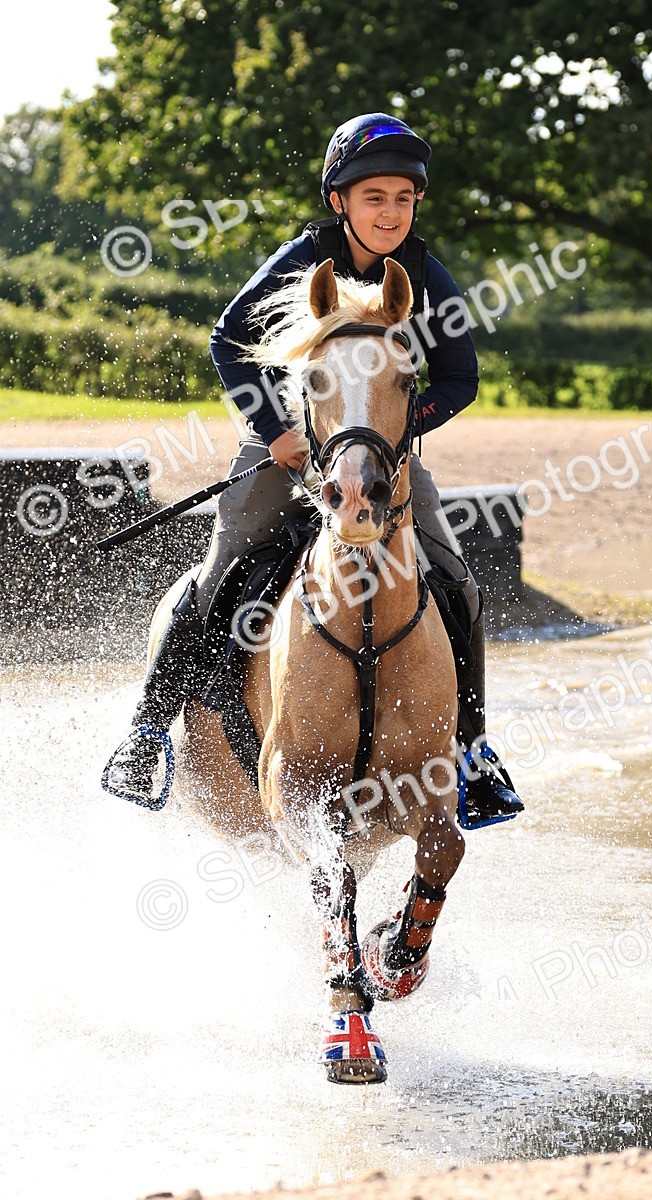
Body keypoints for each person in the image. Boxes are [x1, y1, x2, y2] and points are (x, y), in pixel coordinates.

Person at [104, 112, 523, 829]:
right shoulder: (303, 258)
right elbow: (225, 343)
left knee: (454, 575)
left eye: (403, 198)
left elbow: (459, 379)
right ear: (340, 201)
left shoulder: (425, 273)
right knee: (223, 568)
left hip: (381, 459)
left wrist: (394, 440)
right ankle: (147, 731)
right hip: (288, 450)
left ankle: (474, 752)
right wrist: (276, 432)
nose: (391, 212)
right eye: (374, 198)